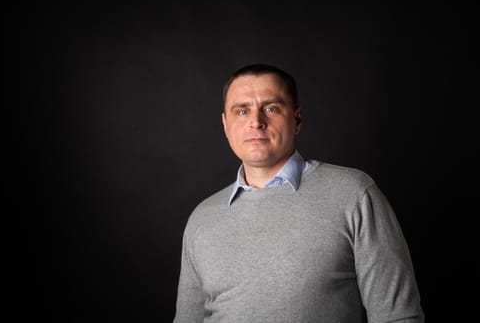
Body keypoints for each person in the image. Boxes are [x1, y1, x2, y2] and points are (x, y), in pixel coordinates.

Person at [173, 64, 424, 322]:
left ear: (297, 119)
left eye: (271, 108)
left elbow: (398, 317)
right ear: (226, 125)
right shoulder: (202, 218)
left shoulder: (354, 195)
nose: (256, 122)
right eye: (242, 110)